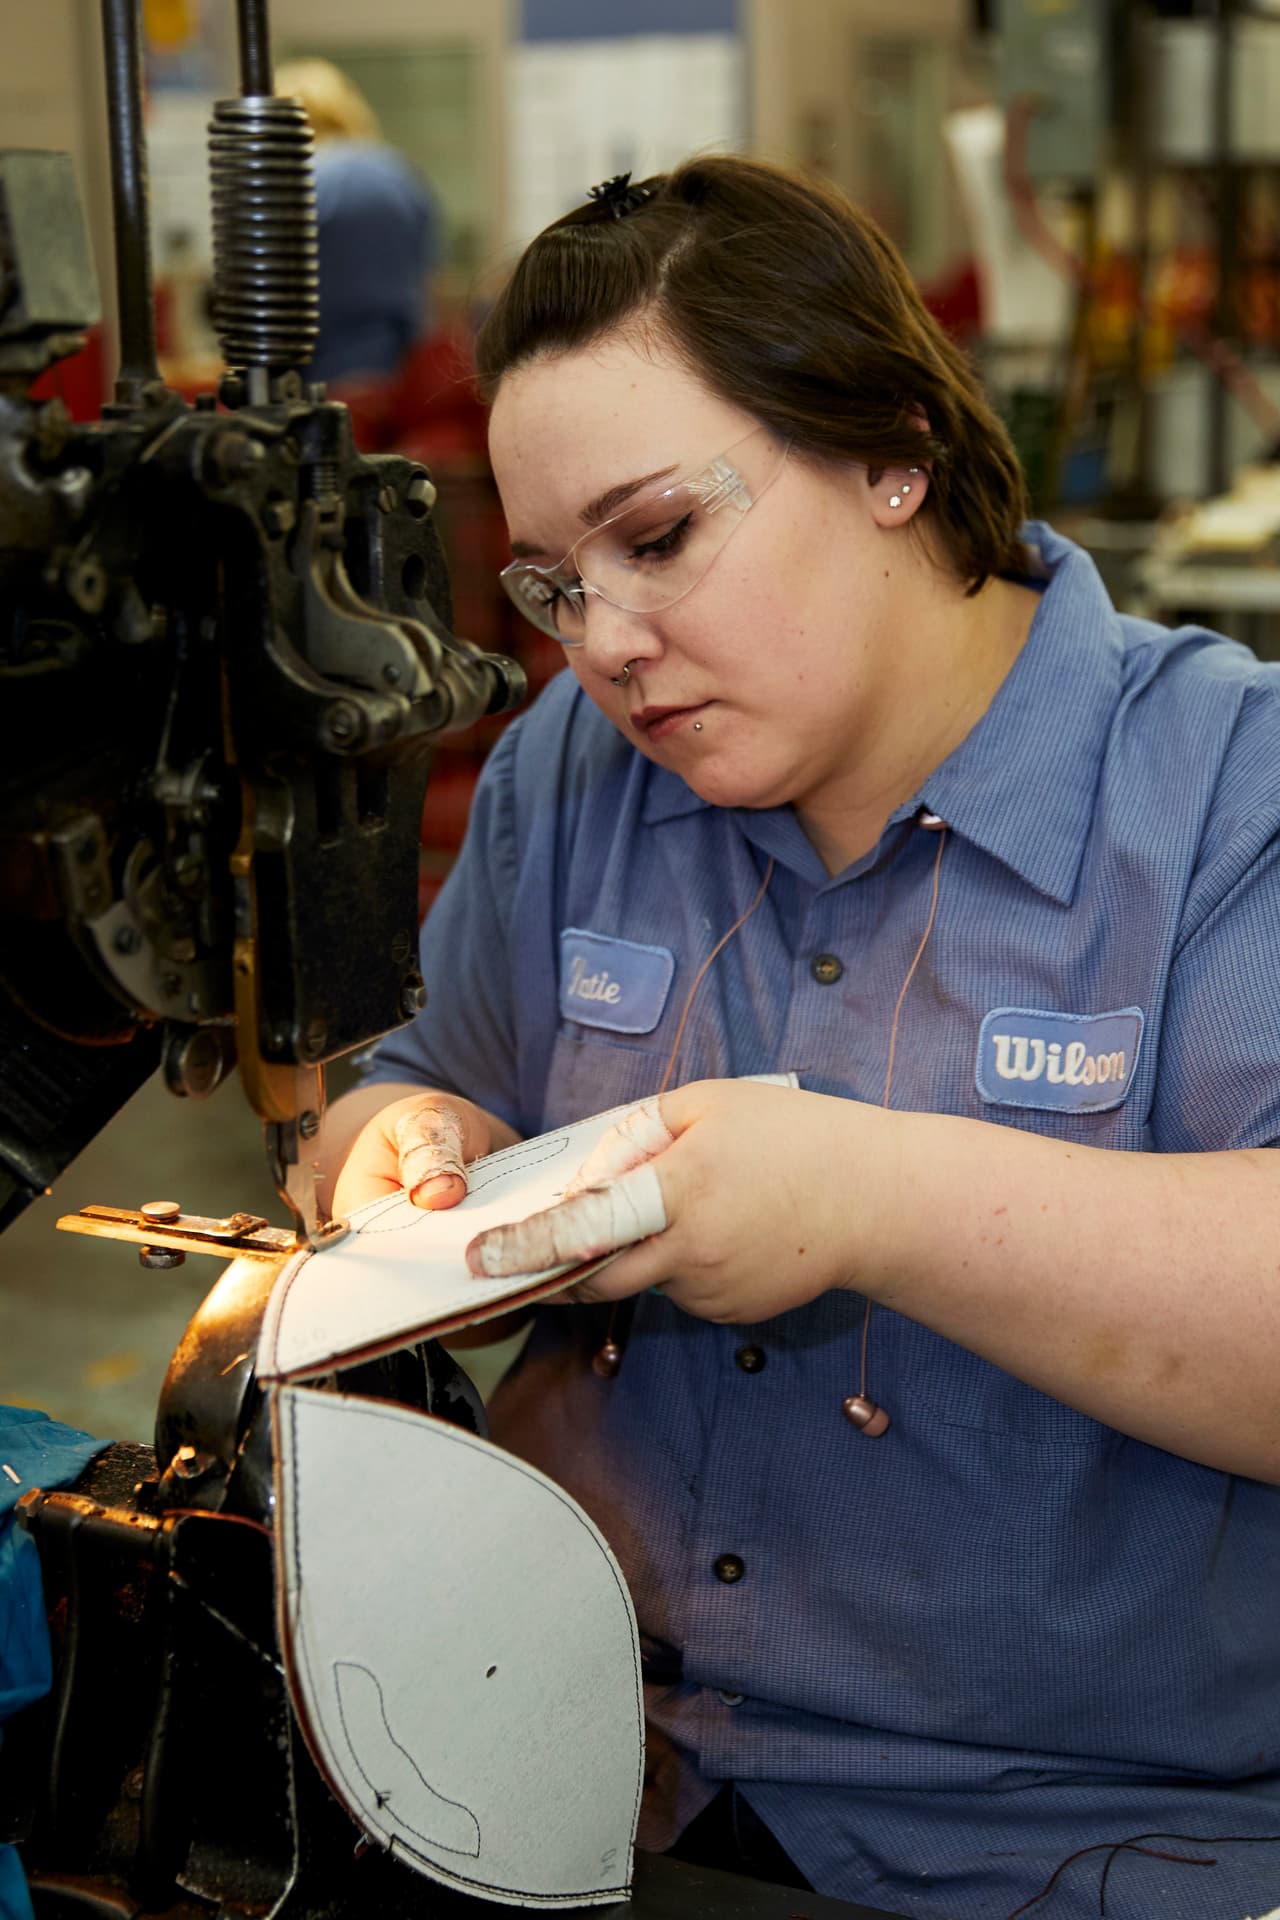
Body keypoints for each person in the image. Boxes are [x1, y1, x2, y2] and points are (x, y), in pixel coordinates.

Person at [319, 157, 1280, 1920]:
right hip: (576, 1776)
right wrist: (403, 1143)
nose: (604, 643)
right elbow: (412, 1077)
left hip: (1081, 1847)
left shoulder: (1228, 801)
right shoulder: (571, 776)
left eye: (662, 537)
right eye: (549, 586)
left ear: (892, 452)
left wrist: (866, 1199)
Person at [274, 58, 439, 387]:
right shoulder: (399, 174)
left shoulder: (299, 179)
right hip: (395, 371)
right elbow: (430, 278)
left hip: (315, 372)